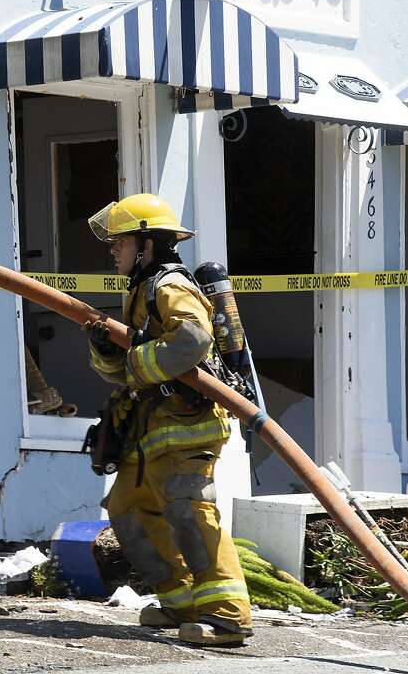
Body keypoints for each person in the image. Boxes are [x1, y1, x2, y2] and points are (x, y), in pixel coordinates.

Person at [84, 193, 252, 646]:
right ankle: (180, 602)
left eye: (120, 243)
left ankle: (227, 616)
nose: (113, 251)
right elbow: (126, 368)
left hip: (186, 425)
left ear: (146, 244)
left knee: (189, 512)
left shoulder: (168, 285)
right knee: (128, 509)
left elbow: (192, 340)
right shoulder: (139, 290)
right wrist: (105, 349)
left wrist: (136, 362)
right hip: (151, 431)